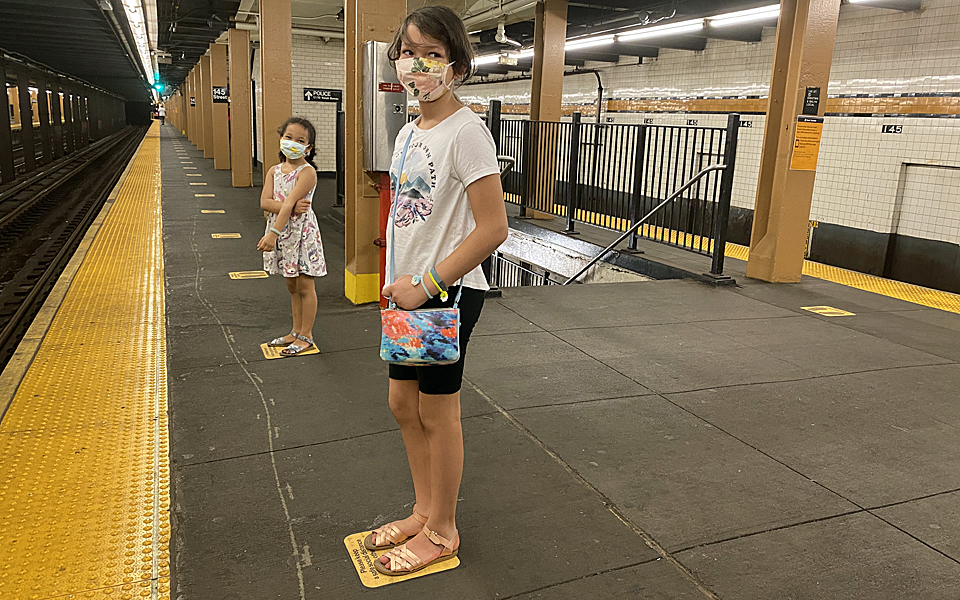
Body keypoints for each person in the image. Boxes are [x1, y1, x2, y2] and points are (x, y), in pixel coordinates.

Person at [367, 5, 508, 577]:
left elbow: (494, 228)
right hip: (407, 294)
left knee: (436, 411)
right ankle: (425, 511)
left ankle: (444, 529)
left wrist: (426, 284)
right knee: (403, 404)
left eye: (430, 53)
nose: (415, 65)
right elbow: (408, 217)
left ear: (456, 64)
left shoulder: (466, 131)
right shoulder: (407, 131)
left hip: (445, 294)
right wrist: (394, 282)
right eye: (407, 51)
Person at [257, 117, 328, 356]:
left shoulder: (307, 172)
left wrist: (272, 234)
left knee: (305, 284)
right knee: (291, 284)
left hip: (301, 235)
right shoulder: (273, 171)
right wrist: (287, 207)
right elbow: (265, 202)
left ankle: (306, 335)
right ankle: (295, 331)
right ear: (280, 138)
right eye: (288, 137)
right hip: (283, 231)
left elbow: (285, 203)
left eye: (300, 140)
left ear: (308, 148)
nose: (292, 143)